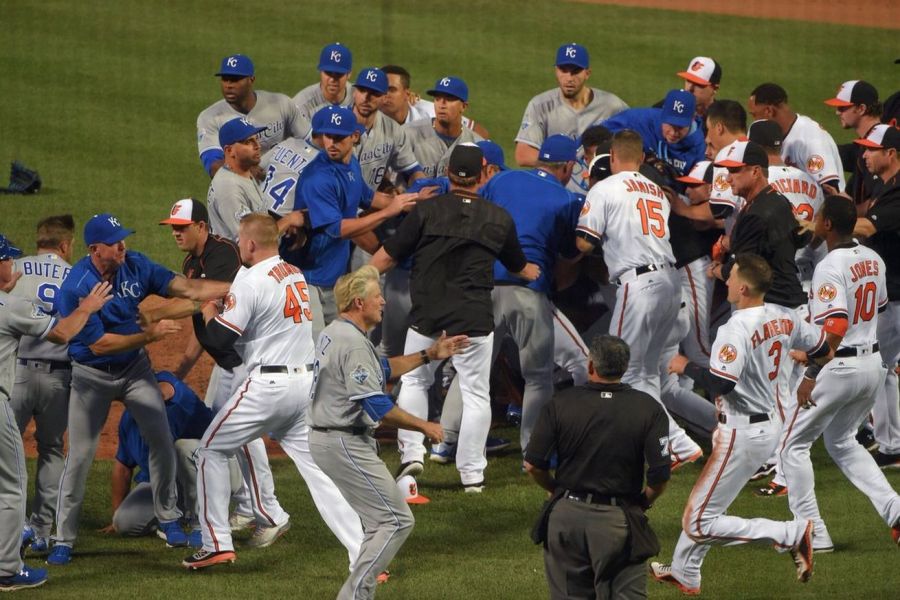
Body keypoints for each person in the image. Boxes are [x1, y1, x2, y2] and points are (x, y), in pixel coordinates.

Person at [48, 213, 232, 565]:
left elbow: (190, 289)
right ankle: (63, 538)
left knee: (160, 440)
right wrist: (148, 335)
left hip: (135, 370)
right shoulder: (76, 287)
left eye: (124, 237)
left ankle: (169, 518)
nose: (123, 245)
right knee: (80, 457)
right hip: (92, 376)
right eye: (115, 241)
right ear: (94, 249)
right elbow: (99, 345)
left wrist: (241, 285)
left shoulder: (135, 265)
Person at [183, 214, 364, 570]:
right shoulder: (294, 273)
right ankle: (364, 553)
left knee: (210, 451)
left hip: (267, 387)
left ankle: (215, 543)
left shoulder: (250, 281)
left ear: (250, 244)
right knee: (318, 474)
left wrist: (205, 313)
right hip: (304, 388)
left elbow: (220, 341)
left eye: (239, 239)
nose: (237, 244)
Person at [651, 254, 826, 595]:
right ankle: (685, 571)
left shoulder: (735, 328)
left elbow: (721, 384)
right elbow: (823, 346)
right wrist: (810, 376)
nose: (725, 282)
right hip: (767, 424)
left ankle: (790, 534)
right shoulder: (784, 316)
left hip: (743, 432)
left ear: (743, 288)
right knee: (711, 502)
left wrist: (686, 366)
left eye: (730, 277)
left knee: (698, 520)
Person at [370, 144, 539, 491]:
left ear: (448, 174)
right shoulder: (499, 217)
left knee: (417, 381)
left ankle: (413, 454)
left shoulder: (427, 210)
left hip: (428, 313)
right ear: (484, 175)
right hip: (473, 317)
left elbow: (386, 258)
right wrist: (532, 272)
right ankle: (472, 475)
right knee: (477, 394)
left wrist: (361, 278)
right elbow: (519, 267)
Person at [308, 265, 465, 600]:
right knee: (396, 520)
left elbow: (381, 369)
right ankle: (354, 596)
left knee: (378, 523)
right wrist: (424, 426)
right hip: (342, 440)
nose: (383, 302)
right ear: (357, 303)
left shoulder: (337, 332)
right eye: (376, 296)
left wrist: (429, 354)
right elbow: (376, 405)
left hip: (334, 435)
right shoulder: (352, 343)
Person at [152, 198, 288, 542]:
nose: (177, 234)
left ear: (201, 226)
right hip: (226, 362)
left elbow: (210, 303)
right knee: (222, 428)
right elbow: (204, 322)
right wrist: (183, 368)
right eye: (173, 229)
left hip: (245, 359)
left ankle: (269, 513)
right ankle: (246, 506)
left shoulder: (224, 254)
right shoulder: (192, 262)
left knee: (243, 434)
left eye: (182, 228)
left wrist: (157, 313)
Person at [437, 135, 582, 458]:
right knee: (538, 376)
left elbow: (473, 213)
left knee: (471, 367)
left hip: (483, 286)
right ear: (568, 166)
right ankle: (532, 450)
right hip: (528, 291)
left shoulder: (503, 178)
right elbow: (570, 253)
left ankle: (445, 440)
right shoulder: (567, 199)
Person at [779, 195, 900, 552]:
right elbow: (875, 310)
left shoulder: (830, 265)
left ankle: (812, 533)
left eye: (818, 217)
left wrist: (813, 369)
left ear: (827, 224)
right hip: (870, 365)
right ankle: (895, 510)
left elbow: (836, 322)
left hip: (838, 366)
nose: (815, 220)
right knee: (842, 442)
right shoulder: (873, 258)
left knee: (792, 447)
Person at [0, 233, 112, 591]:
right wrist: (87, 308)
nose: (10, 264)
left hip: (18, 382)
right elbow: (63, 332)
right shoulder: (10, 306)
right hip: (42, 385)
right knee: (16, 483)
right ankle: (11, 563)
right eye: (6, 259)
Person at [524, 334, 670, 600]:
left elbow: (533, 465)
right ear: (625, 368)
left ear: (591, 365)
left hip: (565, 516)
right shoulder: (647, 408)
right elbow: (660, 476)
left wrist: (556, 489)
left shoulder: (560, 403)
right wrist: (643, 503)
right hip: (618, 519)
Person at [293, 105, 420, 337]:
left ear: (354, 136)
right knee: (315, 351)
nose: (331, 143)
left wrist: (410, 201)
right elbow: (337, 229)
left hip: (333, 276)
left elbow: (367, 197)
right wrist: (388, 212)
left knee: (337, 343)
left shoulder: (350, 164)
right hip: (306, 278)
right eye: (328, 136)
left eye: (339, 137)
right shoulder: (318, 177)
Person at [576, 130, 681, 401]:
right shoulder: (656, 191)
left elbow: (584, 243)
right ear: (642, 158)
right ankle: (661, 440)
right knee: (647, 372)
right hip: (671, 283)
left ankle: (673, 443)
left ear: (611, 156)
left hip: (639, 286)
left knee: (620, 370)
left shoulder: (605, 188)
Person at [8, 216, 76, 554]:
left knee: (6, 452)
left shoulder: (15, 267)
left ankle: (11, 527)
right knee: (51, 450)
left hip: (15, 375)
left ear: (39, 241)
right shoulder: (76, 274)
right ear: (65, 245)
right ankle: (41, 530)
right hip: (59, 378)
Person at [104, 372, 212, 548]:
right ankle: (174, 516)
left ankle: (202, 522)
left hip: (202, 476)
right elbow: (123, 467)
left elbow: (215, 447)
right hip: (159, 484)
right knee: (123, 523)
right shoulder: (129, 418)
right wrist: (116, 515)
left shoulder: (181, 402)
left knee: (184, 447)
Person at [852, 124, 900, 469]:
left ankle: (889, 443)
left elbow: (867, 227)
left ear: (891, 155)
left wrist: (829, 223)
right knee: (883, 367)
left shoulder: (898, 192)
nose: (865, 155)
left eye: (872, 149)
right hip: (893, 298)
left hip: (897, 301)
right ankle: (891, 445)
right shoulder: (885, 187)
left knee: (877, 365)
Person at [515, 42, 627, 171]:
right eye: (564, 70)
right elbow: (523, 155)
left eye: (575, 72)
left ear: (587, 73)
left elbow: (630, 147)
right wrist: (563, 161)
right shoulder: (540, 105)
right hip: (558, 186)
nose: (569, 78)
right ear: (556, 71)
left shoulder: (612, 106)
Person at [197, 54, 308, 177]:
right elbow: (213, 167)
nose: (228, 85)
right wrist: (244, 170)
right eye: (225, 79)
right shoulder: (209, 117)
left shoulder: (281, 103)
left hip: (283, 180)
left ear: (251, 80)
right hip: (241, 187)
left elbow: (310, 142)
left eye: (235, 79)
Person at [747, 83, 844, 190]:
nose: (754, 120)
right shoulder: (762, 132)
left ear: (769, 111)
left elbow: (831, 189)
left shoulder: (811, 138)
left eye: (754, 115)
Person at [601, 89, 706, 176]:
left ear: (693, 118)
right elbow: (598, 133)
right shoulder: (643, 119)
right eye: (670, 124)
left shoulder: (698, 146)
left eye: (680, 127)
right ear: (663, 112)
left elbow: (697, 190)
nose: (673, 132)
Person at [350, 67, 423, 190]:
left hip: (372, 202)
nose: (366, 97)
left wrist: (420, 188)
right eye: (362, 90)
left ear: (384, 97)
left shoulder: (393, 129)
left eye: (374, 93)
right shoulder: (336, 125)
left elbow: (412, 171)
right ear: (354, 93)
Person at [405, 76, 484, 178]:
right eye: (437, 99)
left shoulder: (476, 144)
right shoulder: (407, 134)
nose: (442, 105)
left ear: (463, 106)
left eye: (449, 99)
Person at [207, 117, 269, 241]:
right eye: (248, 142)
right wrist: (288, 222)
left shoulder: (244, 171)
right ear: (230, 151)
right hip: (240, 258)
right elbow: (250, 241)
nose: (257, 146)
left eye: (256, 139)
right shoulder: (229, 189)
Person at [379, 65, 486, 136]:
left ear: (406, 94)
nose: (384, 95)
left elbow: (479, 131)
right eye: (380, 89)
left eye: (391, 90)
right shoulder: (367, 112)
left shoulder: (431, 112)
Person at [825, 80, 883, 204]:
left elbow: (878, 205)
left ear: (861, 109)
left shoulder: (877, 149)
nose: (837, 112)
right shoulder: (867, 144)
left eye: (842, 107)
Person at [293, 43, 354, 121]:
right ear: (321, 72)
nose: (332, 79)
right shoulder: (302, 104)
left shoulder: (359, 98)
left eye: (338, 74)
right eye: (328, 73)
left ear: (349, 74)